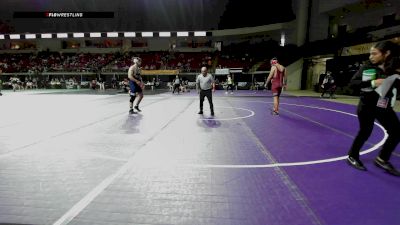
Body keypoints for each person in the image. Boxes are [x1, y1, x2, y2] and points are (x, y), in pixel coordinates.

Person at [347, 40, 400, 176]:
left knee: (396, 131)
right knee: (365, 132)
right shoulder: (367, 66)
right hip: (367, 106)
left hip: (384, 106)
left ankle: (382, 158)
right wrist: (373, 82)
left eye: (374, 54)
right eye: (370, 53)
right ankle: (352, 156)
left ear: (386, 53)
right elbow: (353, 84)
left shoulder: (394, 67)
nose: (371, 56)